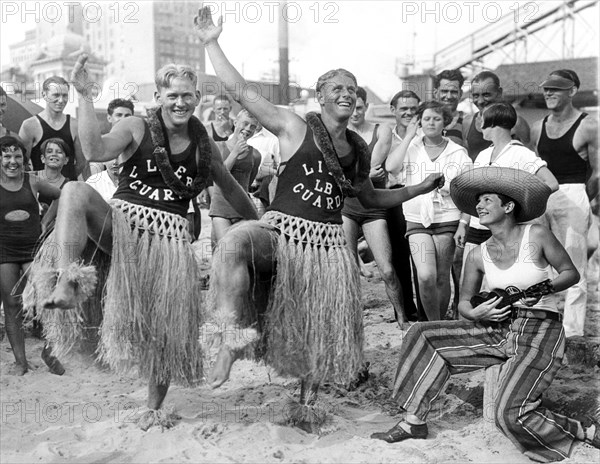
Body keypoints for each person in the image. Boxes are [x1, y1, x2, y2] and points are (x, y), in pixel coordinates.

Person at [193, 7, 443, 430]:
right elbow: (240, 91)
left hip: (326, 244)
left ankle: (307, 404)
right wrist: (211, 42)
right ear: (321, 95)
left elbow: (370, 196)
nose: (347, 93)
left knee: (316, 322)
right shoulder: (293, 125)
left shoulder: (359, 149)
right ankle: (230, 339)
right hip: (281, 230)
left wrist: (417, 189)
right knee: (235, 242)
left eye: (352, 89)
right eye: (337, 88)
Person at [22, 54, 258, 430]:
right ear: (160, 96)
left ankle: (152, 407)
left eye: (186, 95)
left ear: (196, 97)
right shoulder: (136, 125)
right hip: (123, 224)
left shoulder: (203, 146)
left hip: (169, 243)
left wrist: (262, 220)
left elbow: (231, 189)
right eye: (172, 95)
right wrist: (83, 96)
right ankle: (68, 280)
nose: (179, 103)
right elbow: (95, 151)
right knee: (75, 191)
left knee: (167, 327)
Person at [371, 166, 600, 463]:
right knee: (422, 333)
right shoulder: (478, 252)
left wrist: (540, 289)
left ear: (508, 206)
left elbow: (571, 273)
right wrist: (476, 311)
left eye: (487, 200)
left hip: (539, 331)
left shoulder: (537, 234)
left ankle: (581, 431)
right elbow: (464, 303)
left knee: (510, 414)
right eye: (478, 201)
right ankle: (414, 421)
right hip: (497, 329)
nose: (479, 206)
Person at [386, 101, 472, 321]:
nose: (431, 122)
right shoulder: (411, 147)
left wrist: (464, 223)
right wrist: (408, 136)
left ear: (445, 122)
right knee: (425, 276)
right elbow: (391, 168)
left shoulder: (458, 152)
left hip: (448, 217)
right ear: (419, 122)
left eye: (436, 118)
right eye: (426, 118)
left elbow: (470, 192)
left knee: (442, 277)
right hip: (416, 218)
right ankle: (432, 324)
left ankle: (438, 325)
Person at [531, 69, 598, 339]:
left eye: (556, 88)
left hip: (574, 191)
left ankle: (571, 332)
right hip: (544, 194)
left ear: (572, 91)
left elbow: (598, 172)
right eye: (546, 88)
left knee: (574, 263)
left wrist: (582, 200)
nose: (549, 93)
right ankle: (541, 324)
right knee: (538, 261)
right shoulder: (538, 127)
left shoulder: (589, 124)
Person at [462, 102, 558, 286]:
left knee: (502, 283)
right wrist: (463, 222)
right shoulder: (483, 154)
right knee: (471, 284)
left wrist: (521, 203)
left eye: (482, 120)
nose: (479, 124)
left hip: (506, 230)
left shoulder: (521, 153)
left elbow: (551, 183)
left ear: (492, 123)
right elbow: (474, 191)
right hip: (477, 226)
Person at [342, 86, 407, 324]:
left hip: (373, 208)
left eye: (359, 107)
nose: (355, 112)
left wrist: (354, 173)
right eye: (351, 108)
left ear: (366, 107)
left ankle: (401, 318)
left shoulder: (382, 130)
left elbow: (371, 166)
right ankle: (350, 319)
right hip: (346, 208)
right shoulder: (340, 133)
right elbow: (364, 172)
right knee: (348, 271)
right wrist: (363, 173)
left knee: (387, 270)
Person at [0, 135, 63, 375]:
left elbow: (60, 195)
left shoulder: (33, 181)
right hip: (4, 251)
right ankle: (20, 362)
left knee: (47, 301)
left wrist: (46, 221)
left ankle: (50, 350)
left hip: (32, 250)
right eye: (7, 156)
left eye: (17, 156)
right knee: (12, 303)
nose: (12, 161)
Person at [387, 90, 423, 321]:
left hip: (419, 195)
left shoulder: (424, 134)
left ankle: (425, 308)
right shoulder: (385, 136)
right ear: (393, 110)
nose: (409, 112)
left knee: (420, 256)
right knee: (398, 256)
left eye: (413, 108)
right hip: (393, 195)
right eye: (404, 108)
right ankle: (405, 310)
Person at [209, 108, 261, 247]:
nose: (248, 129)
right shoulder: (218, 147)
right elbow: (219, 176)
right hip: (221, 208)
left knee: (241, 253)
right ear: (235, 122)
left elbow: (247, 183)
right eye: (245, 123)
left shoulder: (255, 155)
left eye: (253, 126)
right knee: (225, 251)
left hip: (242, 207)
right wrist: (235, 153)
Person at [18, 76, 86, 180]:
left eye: (65, 96)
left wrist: (64, 181)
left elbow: (81, 163)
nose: (61, 100)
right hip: (40, 190)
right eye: (56, 95)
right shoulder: (29, 126)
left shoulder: (75, 125)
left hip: (68, 189)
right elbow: (22, 163)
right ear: (44, 95)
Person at [462, 71, 531, 160]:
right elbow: (467, 158)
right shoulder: (468, 122)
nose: (480, 101)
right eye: (476, 96)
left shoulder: (516, 123)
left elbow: (530, 161)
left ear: (499, 92)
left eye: (486, 95)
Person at [248, 123, 280, 217]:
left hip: (262, 188)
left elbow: (279, 166)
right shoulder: (233, 137)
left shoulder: (273, 139)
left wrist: (268, 171)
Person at [433, 69, 466, 147]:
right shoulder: (425, 120)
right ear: (435, 93)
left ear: (460, 94)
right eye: (444, 91)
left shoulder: (467, 122)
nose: (449, 96)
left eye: (454, 92)